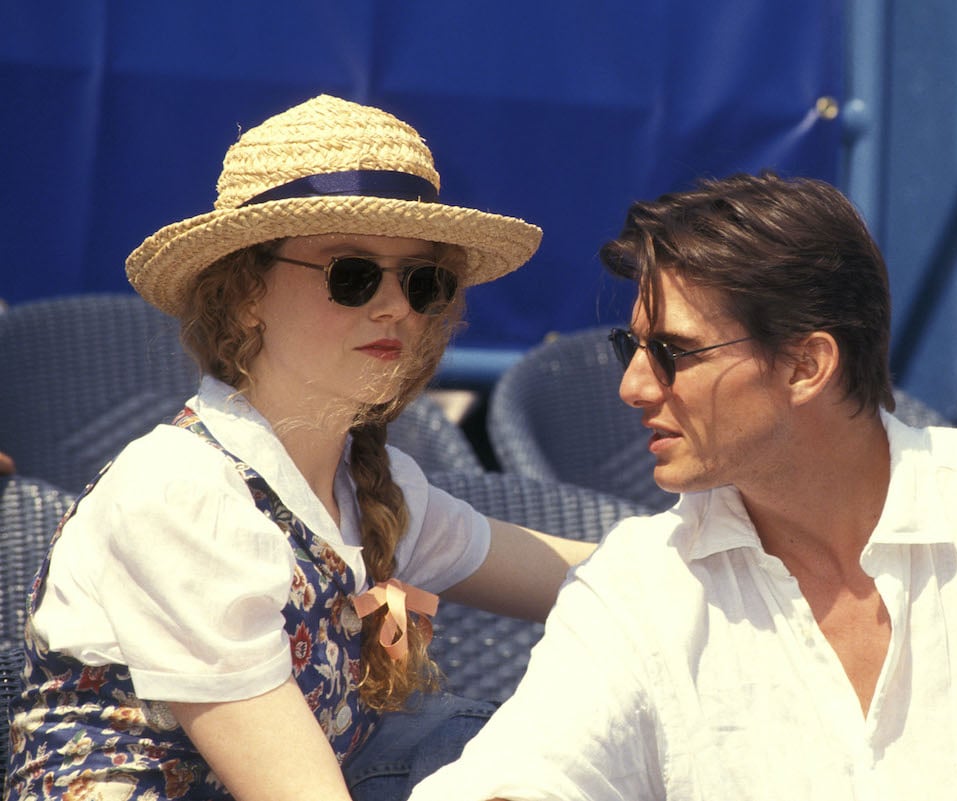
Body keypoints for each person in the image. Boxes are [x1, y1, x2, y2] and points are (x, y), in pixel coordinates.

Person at [408, 171, 957, 800]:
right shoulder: (642, 590)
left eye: (673, 353)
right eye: (634, 346)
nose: (632, 386)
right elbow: (528, 770)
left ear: (807, 364)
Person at [3, 94, 594, 801]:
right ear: (246, 293)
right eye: (352, 273)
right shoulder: (180, 493)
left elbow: (600, 579)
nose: (396, 306)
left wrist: (739, 550)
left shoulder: (376, 488)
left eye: (423, 280)